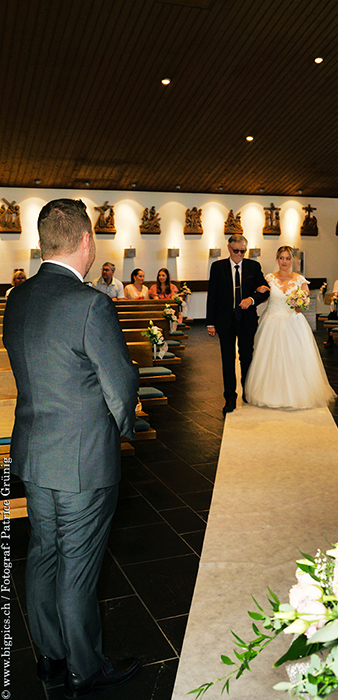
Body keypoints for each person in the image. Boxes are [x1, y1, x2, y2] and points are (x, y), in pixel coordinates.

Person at [2, 199, 141, 698]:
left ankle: (50, 660)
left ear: (43, 243)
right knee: (77, 567)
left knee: (42, 555)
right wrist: (124, 431)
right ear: (87, 242)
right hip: (83, 459)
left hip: (34, 455)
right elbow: (121, 385)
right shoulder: (90, 304)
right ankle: (86, 668)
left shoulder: (17, 298)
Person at [245, 246, 335, 409]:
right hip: (271, 321)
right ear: (277, 259)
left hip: (293, 323)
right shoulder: (269, 278)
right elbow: (264, 298)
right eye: (281, 258)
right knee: (271, 358)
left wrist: (302, 304)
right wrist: (258, 290)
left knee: (295, 358)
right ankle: (269, 393)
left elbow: (305, 299)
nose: (284, 261)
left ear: (292, 260)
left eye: (287, 258)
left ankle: (297, 393)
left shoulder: (300, 280)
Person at [206, 233, 269, 415]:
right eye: (236, 251)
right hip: (225, 320)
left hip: (247, 320)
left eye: (243, 251)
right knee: (227, 359)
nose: (240, 254)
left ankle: (248, 392)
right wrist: (210, 322)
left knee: (247, 357)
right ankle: (230, 397)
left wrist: (252, 298)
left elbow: (265, 291)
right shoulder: (218, 267)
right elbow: (213, 295)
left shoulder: (253, 266)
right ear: (229, 248)